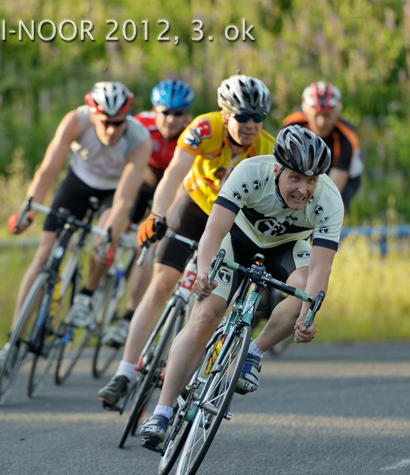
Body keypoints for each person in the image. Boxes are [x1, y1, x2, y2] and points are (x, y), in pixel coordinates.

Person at [138, 125, 344, 449]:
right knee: (205, 317)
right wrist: (203, 272)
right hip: (238, 237)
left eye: (312, 180)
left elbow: (322, 267)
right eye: (295, 179)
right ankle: (161, 412)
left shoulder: (329, 201)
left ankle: (253, 352)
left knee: (305, 291)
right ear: (277, 169)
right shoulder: (250, 172)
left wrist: (307, 315)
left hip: (287, 247)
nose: (304, 190)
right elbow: (214, 230)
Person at [96, 75, 275, 407]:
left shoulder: (266, 149)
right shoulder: (205, 128)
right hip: (193, 207)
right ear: (225, 115)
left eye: (258, 117)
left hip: (229, 224)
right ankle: (124, 372)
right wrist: (157, 214)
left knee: (206, 306)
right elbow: (174, 173)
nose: (250, 124)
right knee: (162, 283)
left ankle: (180, 381)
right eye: (242, 116)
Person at [0, 81, 152, 368]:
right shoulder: (75, 121)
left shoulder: (139, 139)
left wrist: (110, 234)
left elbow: (125, 200)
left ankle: (86, 296)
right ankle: (12, 342)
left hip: (113, 192)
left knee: (106, 238)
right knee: (43, 256)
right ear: (93, 115)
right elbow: (48, 169)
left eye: (118, 123)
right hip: (77, 183)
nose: (112, 130)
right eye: (105, 123)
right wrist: (28, 209)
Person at [100, 79, 195, 347]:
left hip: (169, 188)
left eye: (178, 114)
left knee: (149, 246)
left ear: (186, 115)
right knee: (114, 223)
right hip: (142, 182)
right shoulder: (140, 124)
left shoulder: (192, 134)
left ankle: (128, 315)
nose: (170, 119)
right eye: (164, 112)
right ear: (155, 110)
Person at [282, 81, 363, 210]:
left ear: (336, 114)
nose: (321, 122)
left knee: (328, 209)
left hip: (343, 175)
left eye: (327, 116)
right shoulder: (292, 126)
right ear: (306, 112)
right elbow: (281, 169)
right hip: (306, 168)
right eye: (316, 115)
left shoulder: (346, 137)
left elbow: (332, 189)